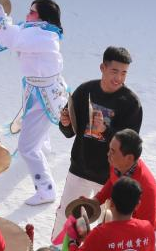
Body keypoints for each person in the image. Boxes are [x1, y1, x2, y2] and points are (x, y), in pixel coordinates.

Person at [54, 46, 142, 234]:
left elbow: (132, 148)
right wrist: (65, 122)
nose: (119, 78)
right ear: (102, 67)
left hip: (110, 177)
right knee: (66, 217)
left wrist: (105, 130)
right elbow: (69, 132)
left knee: (106, 227)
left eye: (124, 73)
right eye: (114, 71)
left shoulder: (131, 103)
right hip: (79, 167)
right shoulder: (85, 90)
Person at [0, 0, 66, 206]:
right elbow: (4, 40)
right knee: (37, 129)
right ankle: (45, 148)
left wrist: (3, 22)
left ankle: (46, 190)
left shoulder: (46, 37)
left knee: (26, 147)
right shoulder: (33, 30)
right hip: (37, 89)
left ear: (42, 17)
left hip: (45, 94)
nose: (27, 15)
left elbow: (14, 39)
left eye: (32, 12)